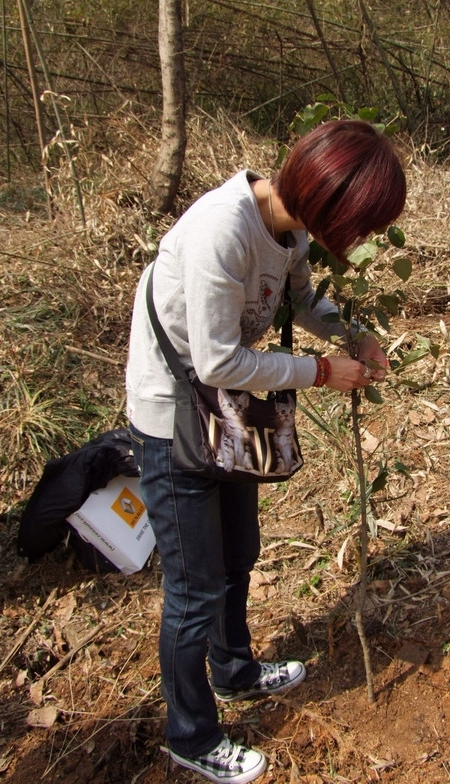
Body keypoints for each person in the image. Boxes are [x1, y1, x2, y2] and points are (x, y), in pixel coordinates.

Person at [126, 119, 406, 784]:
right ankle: (190, 736)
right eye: (361, 225)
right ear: (327, 201)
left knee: (239, 550)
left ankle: (235, 670)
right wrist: (319, 372)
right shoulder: (222, 232)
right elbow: (219, 361)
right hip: (176, 420)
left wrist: (355, 335)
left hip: (226, 413)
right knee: (193, 589)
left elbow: (304, 298)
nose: (361, 241)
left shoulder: (292, 225)